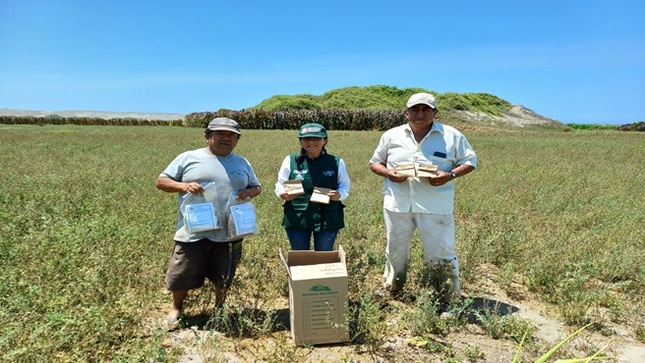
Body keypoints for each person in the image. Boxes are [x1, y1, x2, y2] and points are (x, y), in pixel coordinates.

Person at [369, 93, 477, 303]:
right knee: (395, 249)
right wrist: (388, 173)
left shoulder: (451, 136)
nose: (420, 114)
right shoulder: (391, 135)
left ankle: (447, 298)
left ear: (435, 113)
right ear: (406, 112)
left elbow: (470, 161)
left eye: (426, 109)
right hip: (397, 204)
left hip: (435, 205)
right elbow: (375, 163)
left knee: (441, 252)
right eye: (415, 110)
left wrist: (450, 175)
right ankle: (393, 288)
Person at [156, 117, 262, 324]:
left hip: (229, 231)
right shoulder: (188, 158)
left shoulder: (242, 162)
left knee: (224, 274)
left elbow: (257, 187)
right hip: (194, 230)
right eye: (220, 134)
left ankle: (219, 309)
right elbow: (161, 181)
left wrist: (249, 191)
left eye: (232, 135)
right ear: (207, 136)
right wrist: (183, 187)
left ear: (237, 140)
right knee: (183, 270)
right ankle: (176, 308)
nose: (226, 138)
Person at [275, 123, 350, 251]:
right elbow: (280, 184)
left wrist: (339, 194)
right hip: (297, 216)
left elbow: (344, 185)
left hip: (327, 217)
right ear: (301, 141)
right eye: (306, 139)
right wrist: (282, 193)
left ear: (325, 140)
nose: (311, 142)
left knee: (323, 255)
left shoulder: (336, 162)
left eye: (316, 138)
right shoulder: (290, 160)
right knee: (300, 256)